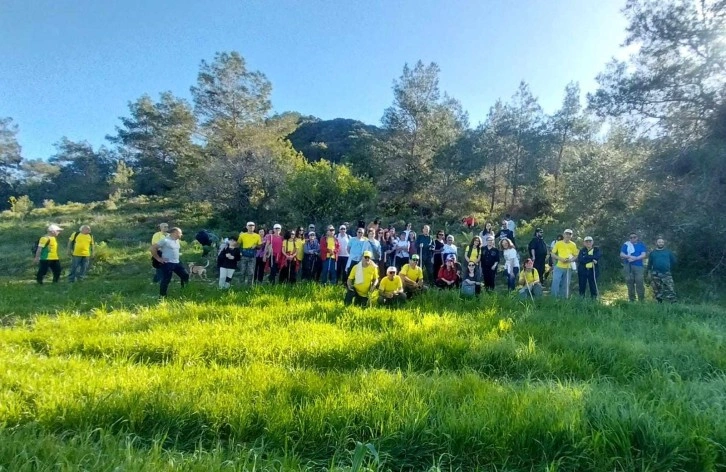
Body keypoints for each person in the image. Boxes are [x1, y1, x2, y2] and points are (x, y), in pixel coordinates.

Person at [151, 227, 189, 298]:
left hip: (177, 262)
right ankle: (162, 296)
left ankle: (184, 290)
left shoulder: (177, 240)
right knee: (166, 279)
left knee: (185, 275)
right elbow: (152, 248)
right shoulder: (165, 240)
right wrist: (158, 258)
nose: (181, 234)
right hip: (167, 263)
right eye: (180, 233)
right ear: (175, 233)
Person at [647, 238, 677, 303]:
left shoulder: (668, 252)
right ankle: (659, 303)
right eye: (659, 242)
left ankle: (673, 303)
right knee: (657, 290)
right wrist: (649, 273)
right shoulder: (653, 253)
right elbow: (649, 264)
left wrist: (668, 268)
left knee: (670, 288)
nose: (661, 243)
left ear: (664, 243)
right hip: (656, 274)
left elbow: (674, 261)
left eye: (662, 242)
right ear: (656, 243)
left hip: (666, 273)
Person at [620, 232, 647, 302]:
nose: (632, 238)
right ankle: (632, 299)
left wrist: (636, 258)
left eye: (634, 237)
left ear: (637, 238)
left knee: (639, 282)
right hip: (628, 266)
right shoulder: (626, 245)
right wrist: (629, 256)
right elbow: (622, 254)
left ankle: (641, 300)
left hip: (638, 266)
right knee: (629, 282)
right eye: (631, 237)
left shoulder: (641, 245)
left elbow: (643, 255)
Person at [551, 229, 578, 299]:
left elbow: (576, 255)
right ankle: (554, 299)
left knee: (565, 284)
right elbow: (552, 254)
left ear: (571, 236)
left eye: (570, 234)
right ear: (563, 235)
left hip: (568, 267)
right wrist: (560, 259)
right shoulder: (558, 243)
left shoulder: (573, 244)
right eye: (566, 234)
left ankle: (564, 299)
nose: (568, 235)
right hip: (559, 266)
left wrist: (571, 260)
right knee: (555, 282)